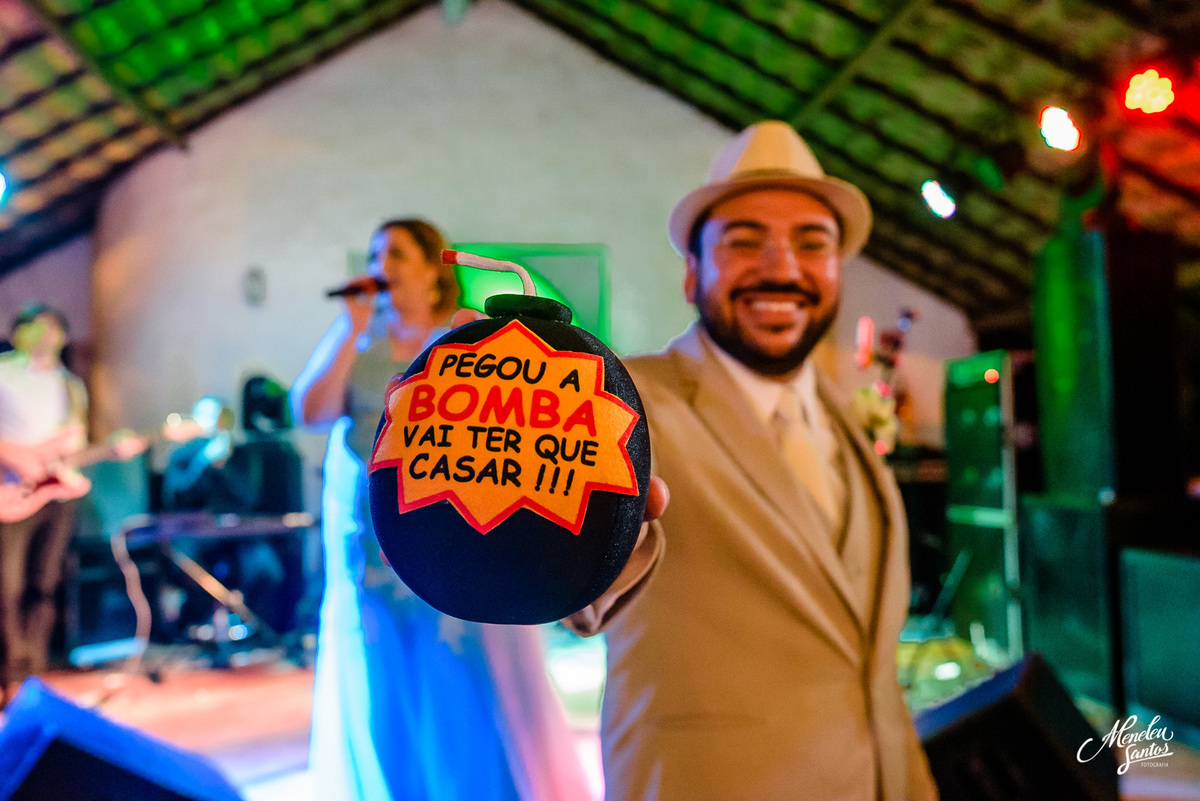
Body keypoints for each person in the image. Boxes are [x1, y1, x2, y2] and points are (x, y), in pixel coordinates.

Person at [564, 122, 939, 800]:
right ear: (690, 273)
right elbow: (567, 579)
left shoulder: (843, 418)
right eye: (743, 241)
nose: (782, 268)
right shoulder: (625, 403)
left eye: (811, 244)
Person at [292, 219, 592, 801]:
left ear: (434, 270)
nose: (384, 264)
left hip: (447, 533)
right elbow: (310, 411)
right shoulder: (363, 345)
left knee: (456, 678)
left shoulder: (460, 341)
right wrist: (349, 326)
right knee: (383, 679)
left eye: (398, 253)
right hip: (370, 542)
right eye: (377, 252)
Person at [0, 305, 141, 697]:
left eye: (54, 327)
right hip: (11, 492)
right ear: (18, 332)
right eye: (37, 327)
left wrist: (111, 450)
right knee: (7, 585)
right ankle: (9, 669)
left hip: (56, 493)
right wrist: (17, 458)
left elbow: (73, 446)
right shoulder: (3, 372)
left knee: (45, 582)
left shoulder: (69, 385)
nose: (47, 334)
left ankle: (33, 668)